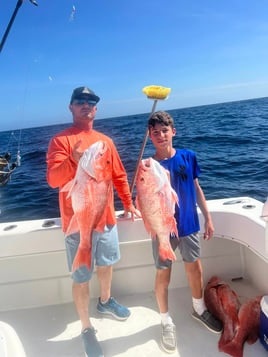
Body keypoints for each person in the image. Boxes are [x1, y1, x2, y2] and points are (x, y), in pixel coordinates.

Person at [46, 86, 140, 357]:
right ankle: (87, 328)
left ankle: (106, 301)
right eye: (80, 101)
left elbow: (119, 175)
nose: (86, 105)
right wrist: (74, 160)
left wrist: (128, 202)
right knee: (81, 275)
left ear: (96, 109)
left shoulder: (105, 142)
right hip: (78, 222)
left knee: (107, 265)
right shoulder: (60, 141)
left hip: (106, 217)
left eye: (91, 102)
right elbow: (54, 180)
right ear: (71, 107)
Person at [147, 111, 222, 354]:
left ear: (173, 132)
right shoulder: (149, 166)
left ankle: (198, 308)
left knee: (194, 267)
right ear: (149, 137)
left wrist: (207, 217)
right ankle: (165, 320)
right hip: (163, 230)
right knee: (163, 275)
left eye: (164, 131)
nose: (161, 136)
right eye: (155, 132)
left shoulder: (188, 157)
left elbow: (197, 188)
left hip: (189, 224)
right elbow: (144, 201)